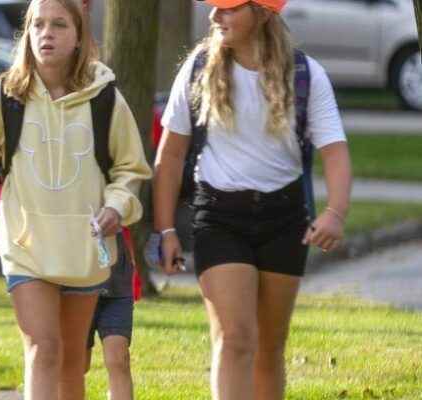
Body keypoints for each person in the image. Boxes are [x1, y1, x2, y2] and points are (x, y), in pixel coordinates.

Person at [153, 1, 351, 399]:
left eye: (228, 9)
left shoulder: (305, 75)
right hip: (219, 218)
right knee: (236, 337)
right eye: (215, 8)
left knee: (269, 348)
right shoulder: (197, 70)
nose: (215, 17)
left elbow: (335, 151)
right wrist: (167, 229)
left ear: (262, 13)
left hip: (284, 218)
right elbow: (170, 156)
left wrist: (334, 213)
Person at [0, 1, 152, 398]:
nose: (47, 33)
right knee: (43, 348)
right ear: (27, 34)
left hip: (83, 249)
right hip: (26, 247)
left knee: (70, 361)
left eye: (60, 25)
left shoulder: (105, 97)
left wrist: (117, 205)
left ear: (79, 36)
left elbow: (131, 169)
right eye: (38, 24)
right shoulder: (5, 95)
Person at [85, 244, 135, 400]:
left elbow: (130, 219)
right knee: (76, 364)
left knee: (118, 359)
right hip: (75, 284)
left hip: (116, 284)